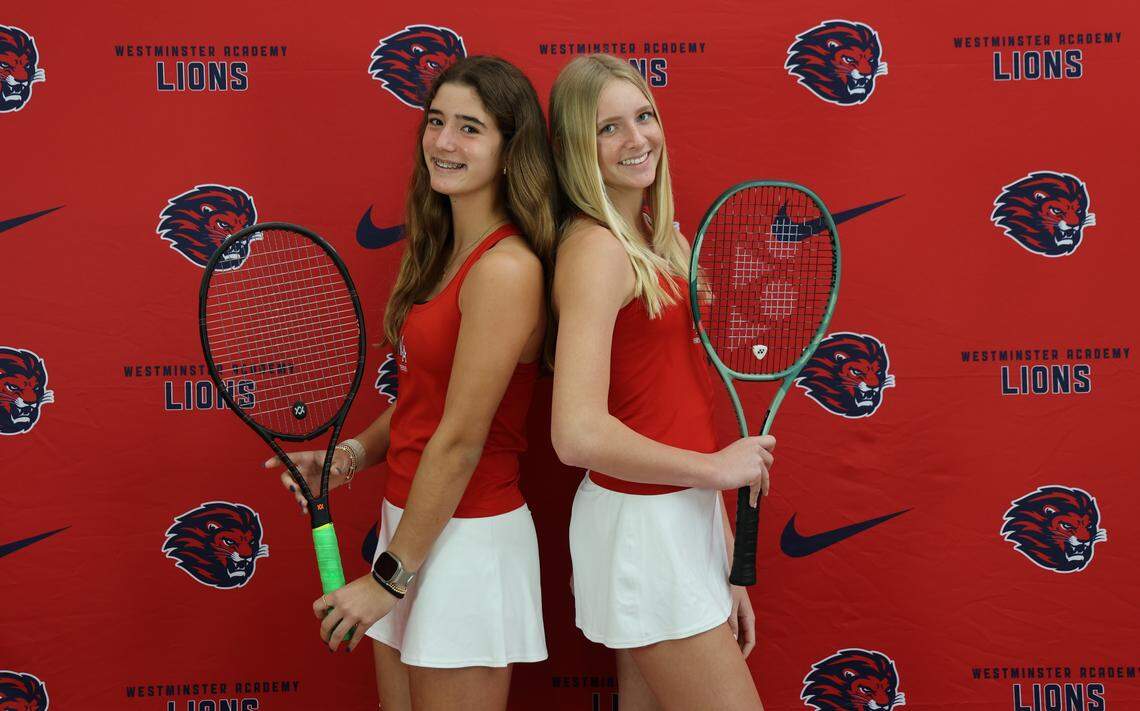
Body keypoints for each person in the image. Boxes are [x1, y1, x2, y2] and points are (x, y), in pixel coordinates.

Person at [266, 55, 558, 711]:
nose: (444, 143)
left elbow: (458, 441)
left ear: (513, 152)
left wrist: (388, 578)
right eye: (435, 122)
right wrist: (349, 457)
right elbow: (421, 407)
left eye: (470, 128)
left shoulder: (505, 270)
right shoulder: (440, 249)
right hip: (411, 521)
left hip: (466, 539)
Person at [548, 54, 775, 710]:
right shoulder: (597, 250)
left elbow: (681, 403)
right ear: (573, 149)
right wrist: (713, 470)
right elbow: (576, 432)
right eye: (608, 128)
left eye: (643, 116)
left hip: (679, 518)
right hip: (643, 526)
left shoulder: (657, 239)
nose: (637, 138)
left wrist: (726, 555)